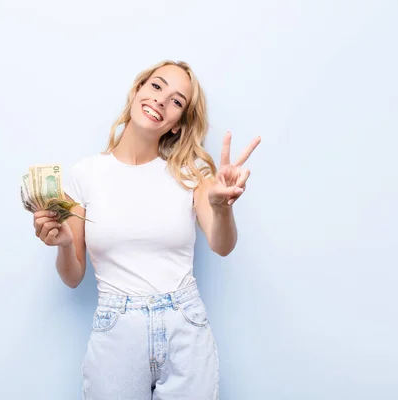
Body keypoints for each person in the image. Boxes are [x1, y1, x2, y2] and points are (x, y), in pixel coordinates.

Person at [33, 60, 260, 399]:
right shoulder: (86, 174)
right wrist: (64, 245)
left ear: (176, 125)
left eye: (176, 100)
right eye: (156, 86)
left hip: (185, 329)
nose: (160, 100)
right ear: (138, 89)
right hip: (116, 332)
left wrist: (220, 207)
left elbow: (222, 244)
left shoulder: (190, 172)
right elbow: (72, 276)